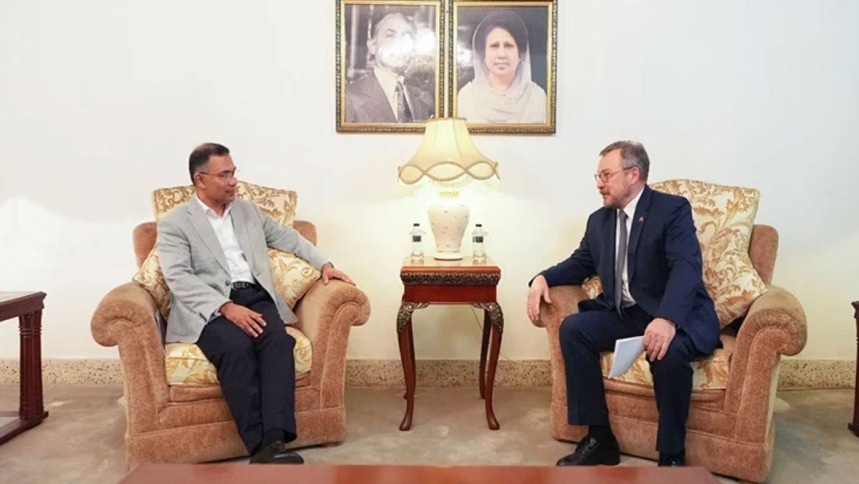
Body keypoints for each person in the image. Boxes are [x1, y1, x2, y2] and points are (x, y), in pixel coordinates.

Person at [157, 143, 354, 465]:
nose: (233, 181)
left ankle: (275, 441)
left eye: (234, 173)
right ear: (201, 180)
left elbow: (290, 238)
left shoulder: (247, 211)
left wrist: (325, 265)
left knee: (278, 342)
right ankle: (257, 445)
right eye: (224, 175)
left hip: (255, 297)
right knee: (235, 348)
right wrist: (225, 307)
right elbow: (178, 277)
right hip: (207, 309)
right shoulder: (175, 223)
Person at [526, 141, 720, 467]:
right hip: (628, 313)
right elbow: (580, 263)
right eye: (597, 176)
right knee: (574, 329)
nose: (599, 184)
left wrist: (667, 319)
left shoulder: (671, 210)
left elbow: (686, 267)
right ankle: (600, 439)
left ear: (633, 174)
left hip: (675, 312)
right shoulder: (599, 221)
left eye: (606, 175)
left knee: (668, 354)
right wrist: (542, 277)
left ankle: (671, 455)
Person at [456, 10, 547, 124]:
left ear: (520, 54)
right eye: (494, 46)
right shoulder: (467, 96)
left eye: (508, 46)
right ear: (484, 55)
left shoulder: (536, 96)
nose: (502, 54)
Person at [345, 11, 433, 123]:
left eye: (406, 36)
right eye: (390, 35)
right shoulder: (349, 98)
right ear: (372, 46)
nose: (400, 44)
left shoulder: (424, 99)